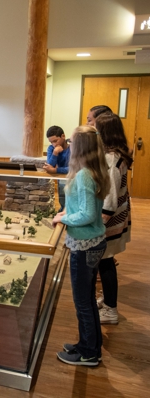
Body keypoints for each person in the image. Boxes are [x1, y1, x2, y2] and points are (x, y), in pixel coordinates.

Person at [53, 125, 110, 366]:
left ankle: (89, 353)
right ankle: (90, 344)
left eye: (74, 142)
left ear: (81, 147)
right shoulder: (93, 171)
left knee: (83, 302)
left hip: (85, 244)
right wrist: (69, 210)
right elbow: (84, 208)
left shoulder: (85, 174)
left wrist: (62, 218)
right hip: (92, 242)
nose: (70, 146)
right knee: (86, 299)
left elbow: (86, 214)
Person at [95, 112, 132, 325]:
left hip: (109, 220)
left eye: (98, 130)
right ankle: (109, 301)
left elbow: (109, 201)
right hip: (118, 217)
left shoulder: (111, 159)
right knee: (105, 263)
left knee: (106, 263)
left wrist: (98, 226)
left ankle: (110, 310)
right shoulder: (119, 154)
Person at [43, 125, 70, 211]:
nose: (54, 144)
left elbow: (73, 169)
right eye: (51, 142)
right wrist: (55, 153)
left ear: (63, 136)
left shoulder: (72, 148)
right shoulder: (52, 148)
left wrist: (56, 170)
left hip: (72, 179)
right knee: (62, 201)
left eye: (55, 141)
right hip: (61, 180)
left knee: (70, 203)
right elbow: (49, 166)